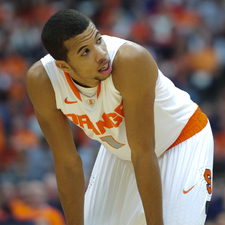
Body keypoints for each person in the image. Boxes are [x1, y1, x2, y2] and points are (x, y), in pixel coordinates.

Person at [26, 9, 214, 225]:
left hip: (180, 140)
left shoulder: (130, 61)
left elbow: (143, 152)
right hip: (123, 152)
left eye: (98, 39)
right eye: (85, 52)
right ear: (64, 66)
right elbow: (67, 163)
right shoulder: (43, 82)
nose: (101, 54)